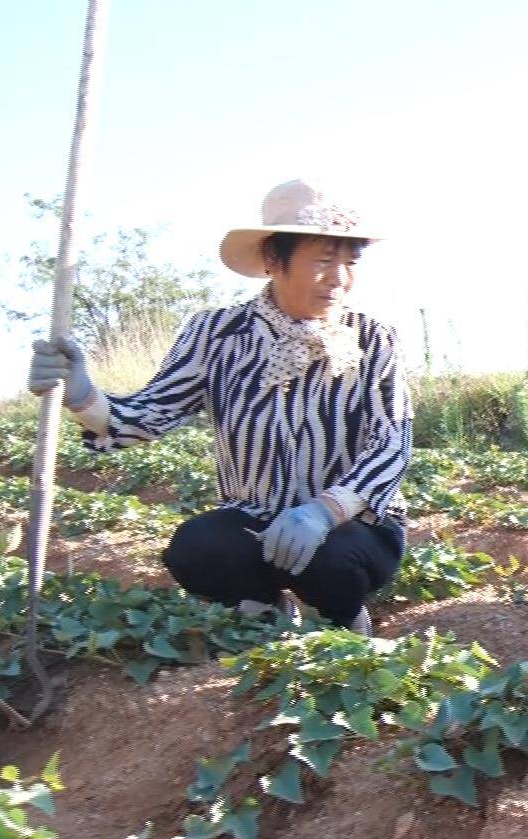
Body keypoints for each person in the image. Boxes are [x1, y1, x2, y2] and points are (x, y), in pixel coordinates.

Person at [27, 179, 411, 635]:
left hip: (352, 523)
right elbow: (148, 415)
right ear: (274, 260)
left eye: (350, 262)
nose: (339, 277)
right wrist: (81, 395)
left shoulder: (374, 339)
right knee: (198, 549)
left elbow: (392, 442)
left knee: (332, 561)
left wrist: (323, 511)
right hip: (254, 516)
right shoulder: (216, 334)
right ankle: (264, 610)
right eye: (324, 260)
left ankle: (344, 620)